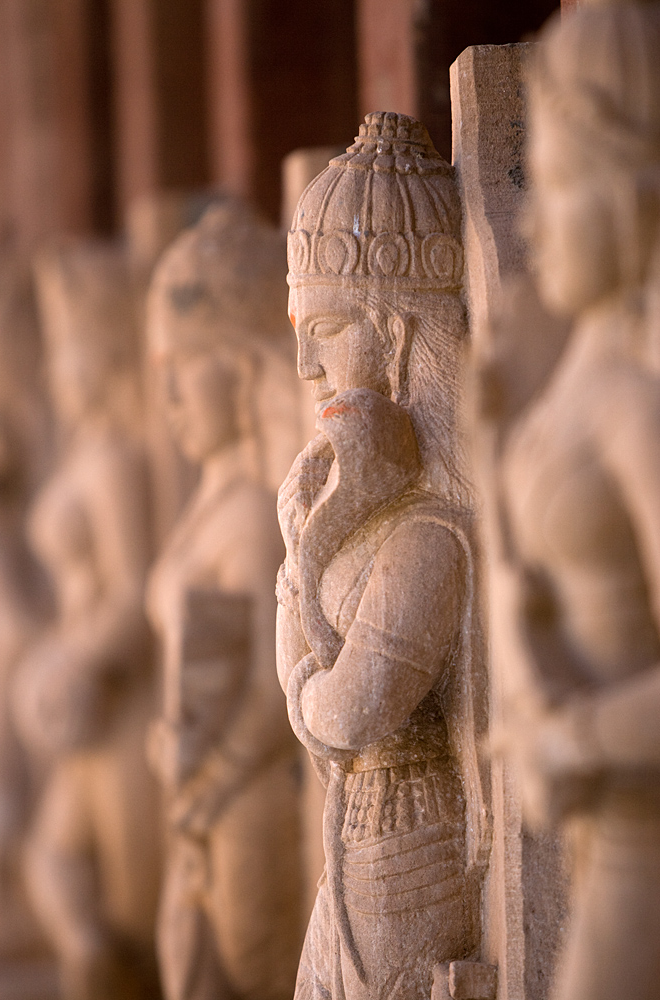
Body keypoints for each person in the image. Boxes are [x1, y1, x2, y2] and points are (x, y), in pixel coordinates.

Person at [276, 112, 490, 1000]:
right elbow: (311, 695)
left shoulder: (428, 539)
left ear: (395, 335)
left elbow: (345, 716)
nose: (304, 366)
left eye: (323, 329)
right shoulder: (373, 520)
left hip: (412, 846)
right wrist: (309, 535)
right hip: (355, 835)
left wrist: (314, 539)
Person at [478, 4, 660, 999]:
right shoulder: (580, 376)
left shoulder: (639, 407)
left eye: (554, 186)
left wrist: (574, 738)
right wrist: (493, 432)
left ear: (638, 198)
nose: (530, 222)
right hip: (600, 831)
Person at [146, 200, 305, 1000]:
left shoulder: (249, 513)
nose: (168, 394)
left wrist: (216, 772)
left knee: (247, 973)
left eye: (187, 366)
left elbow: (276, 684)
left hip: (243, 797)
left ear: (242, 370)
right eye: (162, 370)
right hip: (200, 794)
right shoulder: (210, 503)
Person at [12, 241, 162, 1000]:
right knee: (54, 857)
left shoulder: (112, 464)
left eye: (69, 355)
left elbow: (136, 588)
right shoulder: (85, 452)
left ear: (101, 360)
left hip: (116, 692)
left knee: (122, 893)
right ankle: (87, 955)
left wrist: (78, 659)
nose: (54, 375)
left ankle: (102, 962)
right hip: (85, 699)